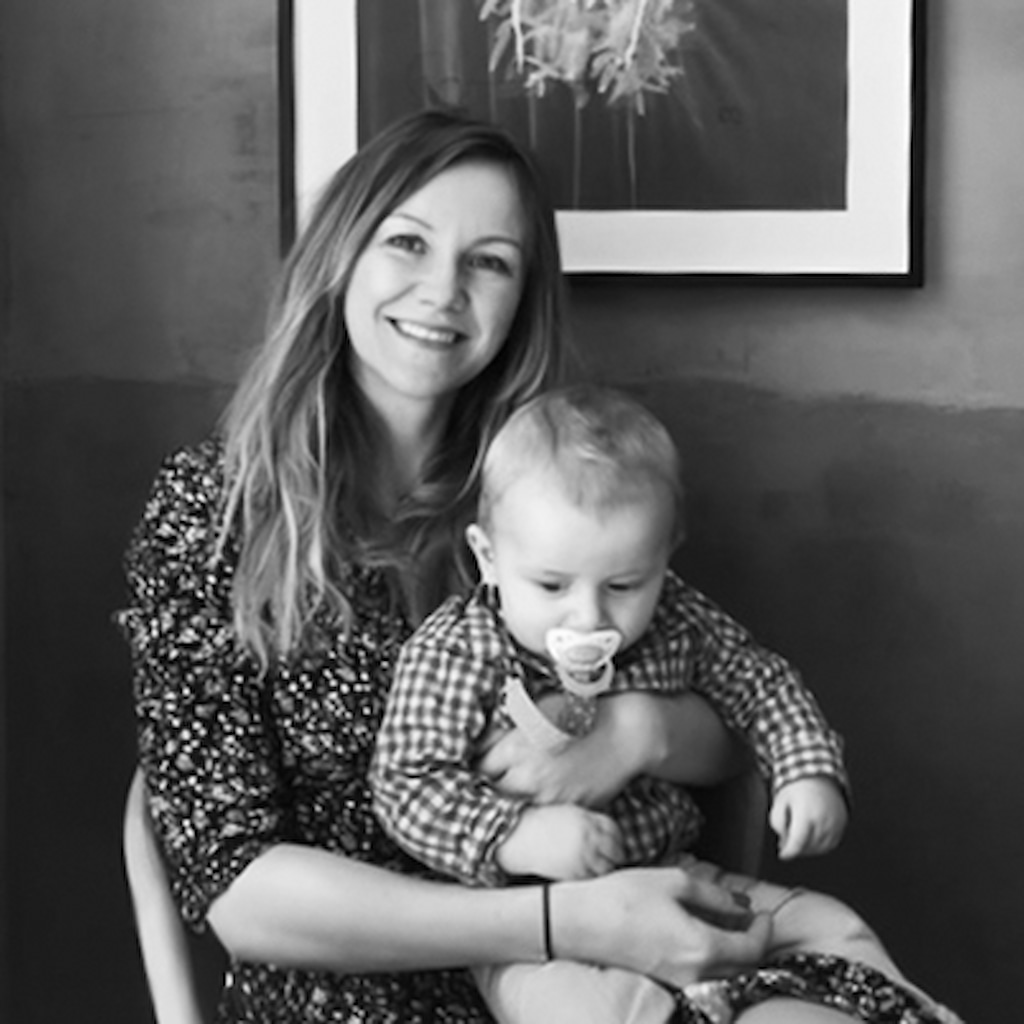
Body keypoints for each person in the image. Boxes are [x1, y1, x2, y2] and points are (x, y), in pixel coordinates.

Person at [117, 109, 780, 1024]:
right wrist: (551, 921)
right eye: (408, 243)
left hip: (611, 959)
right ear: (340, 258)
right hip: (353, 995)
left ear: (521, 300)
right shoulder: (216, 509)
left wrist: (636, 733)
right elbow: (237, 889)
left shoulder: (550, 486)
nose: (442, 291)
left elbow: (734, 740)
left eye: (490, 262)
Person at [370, 385, 964, 1024]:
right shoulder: (460, 651)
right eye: (551, 585)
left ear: (663, 559)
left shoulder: (676, 617)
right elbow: (404, 785)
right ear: (488, 557)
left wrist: (805, 768)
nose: (589, 616)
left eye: (624, 585)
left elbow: (757, 680)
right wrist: (514, 835)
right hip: (534, 923)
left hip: (669, 874)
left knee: (830, 925)